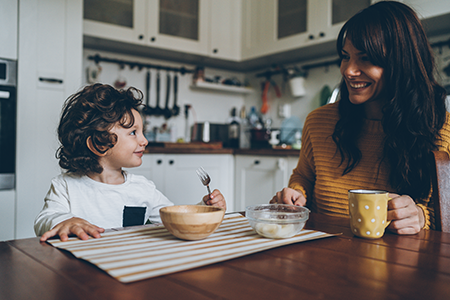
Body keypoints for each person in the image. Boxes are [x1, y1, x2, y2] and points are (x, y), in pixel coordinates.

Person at [270, 1, 450, 234]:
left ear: (401, 63)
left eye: (365, 58)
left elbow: (443, 217)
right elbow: (304, 176)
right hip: (321, 256)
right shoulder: (318, 122)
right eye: (345, 57)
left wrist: (420, 217)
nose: (348, 71)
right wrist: (296, 194)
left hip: (398, 265)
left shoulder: (440, 128)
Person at [35, 84, 226, 242]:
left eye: (142, 131)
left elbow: (174, 220)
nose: (144, 141)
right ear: (98, 142)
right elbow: (44, 219)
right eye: (133, 132)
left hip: (130, 266)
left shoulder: (143, 189)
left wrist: (205, 208)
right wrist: (67, 221)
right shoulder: (65, 187)